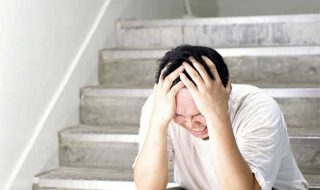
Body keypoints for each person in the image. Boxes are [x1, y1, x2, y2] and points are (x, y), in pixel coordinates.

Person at [133, 45, 309, 190]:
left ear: (227, 90)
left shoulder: (259, 107)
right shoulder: (161, 105)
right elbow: (148, 187)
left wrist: (217, 115)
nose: (192, 124)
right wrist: (158, 122)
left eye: (199, 113)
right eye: (179, 115)